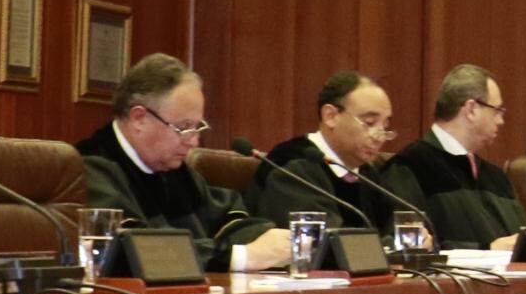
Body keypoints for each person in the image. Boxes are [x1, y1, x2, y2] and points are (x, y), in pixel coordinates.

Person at [76, 53, 287, 271]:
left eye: (197, 127)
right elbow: (137, 251)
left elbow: (226, 213)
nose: (194, 141)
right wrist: (240, 257)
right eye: (184, 127)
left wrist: (270, 238)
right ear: (139, 118)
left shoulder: (171, 169)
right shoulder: (90, 168)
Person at [247, 71, 425, 240]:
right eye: (369, 122)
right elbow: (328, 244)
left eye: (385, 126)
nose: (379, 136)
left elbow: (400, 228)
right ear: (331, 116)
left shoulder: (367, 174)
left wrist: (414, 239)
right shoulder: (290, 166)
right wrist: (392, 247)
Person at [380, 64, 523, 250]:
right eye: (497, 111)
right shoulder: (410, 167)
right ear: (471, 109)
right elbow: (410, 249)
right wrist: (487, 250)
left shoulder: (496, 177)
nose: (501, 120)